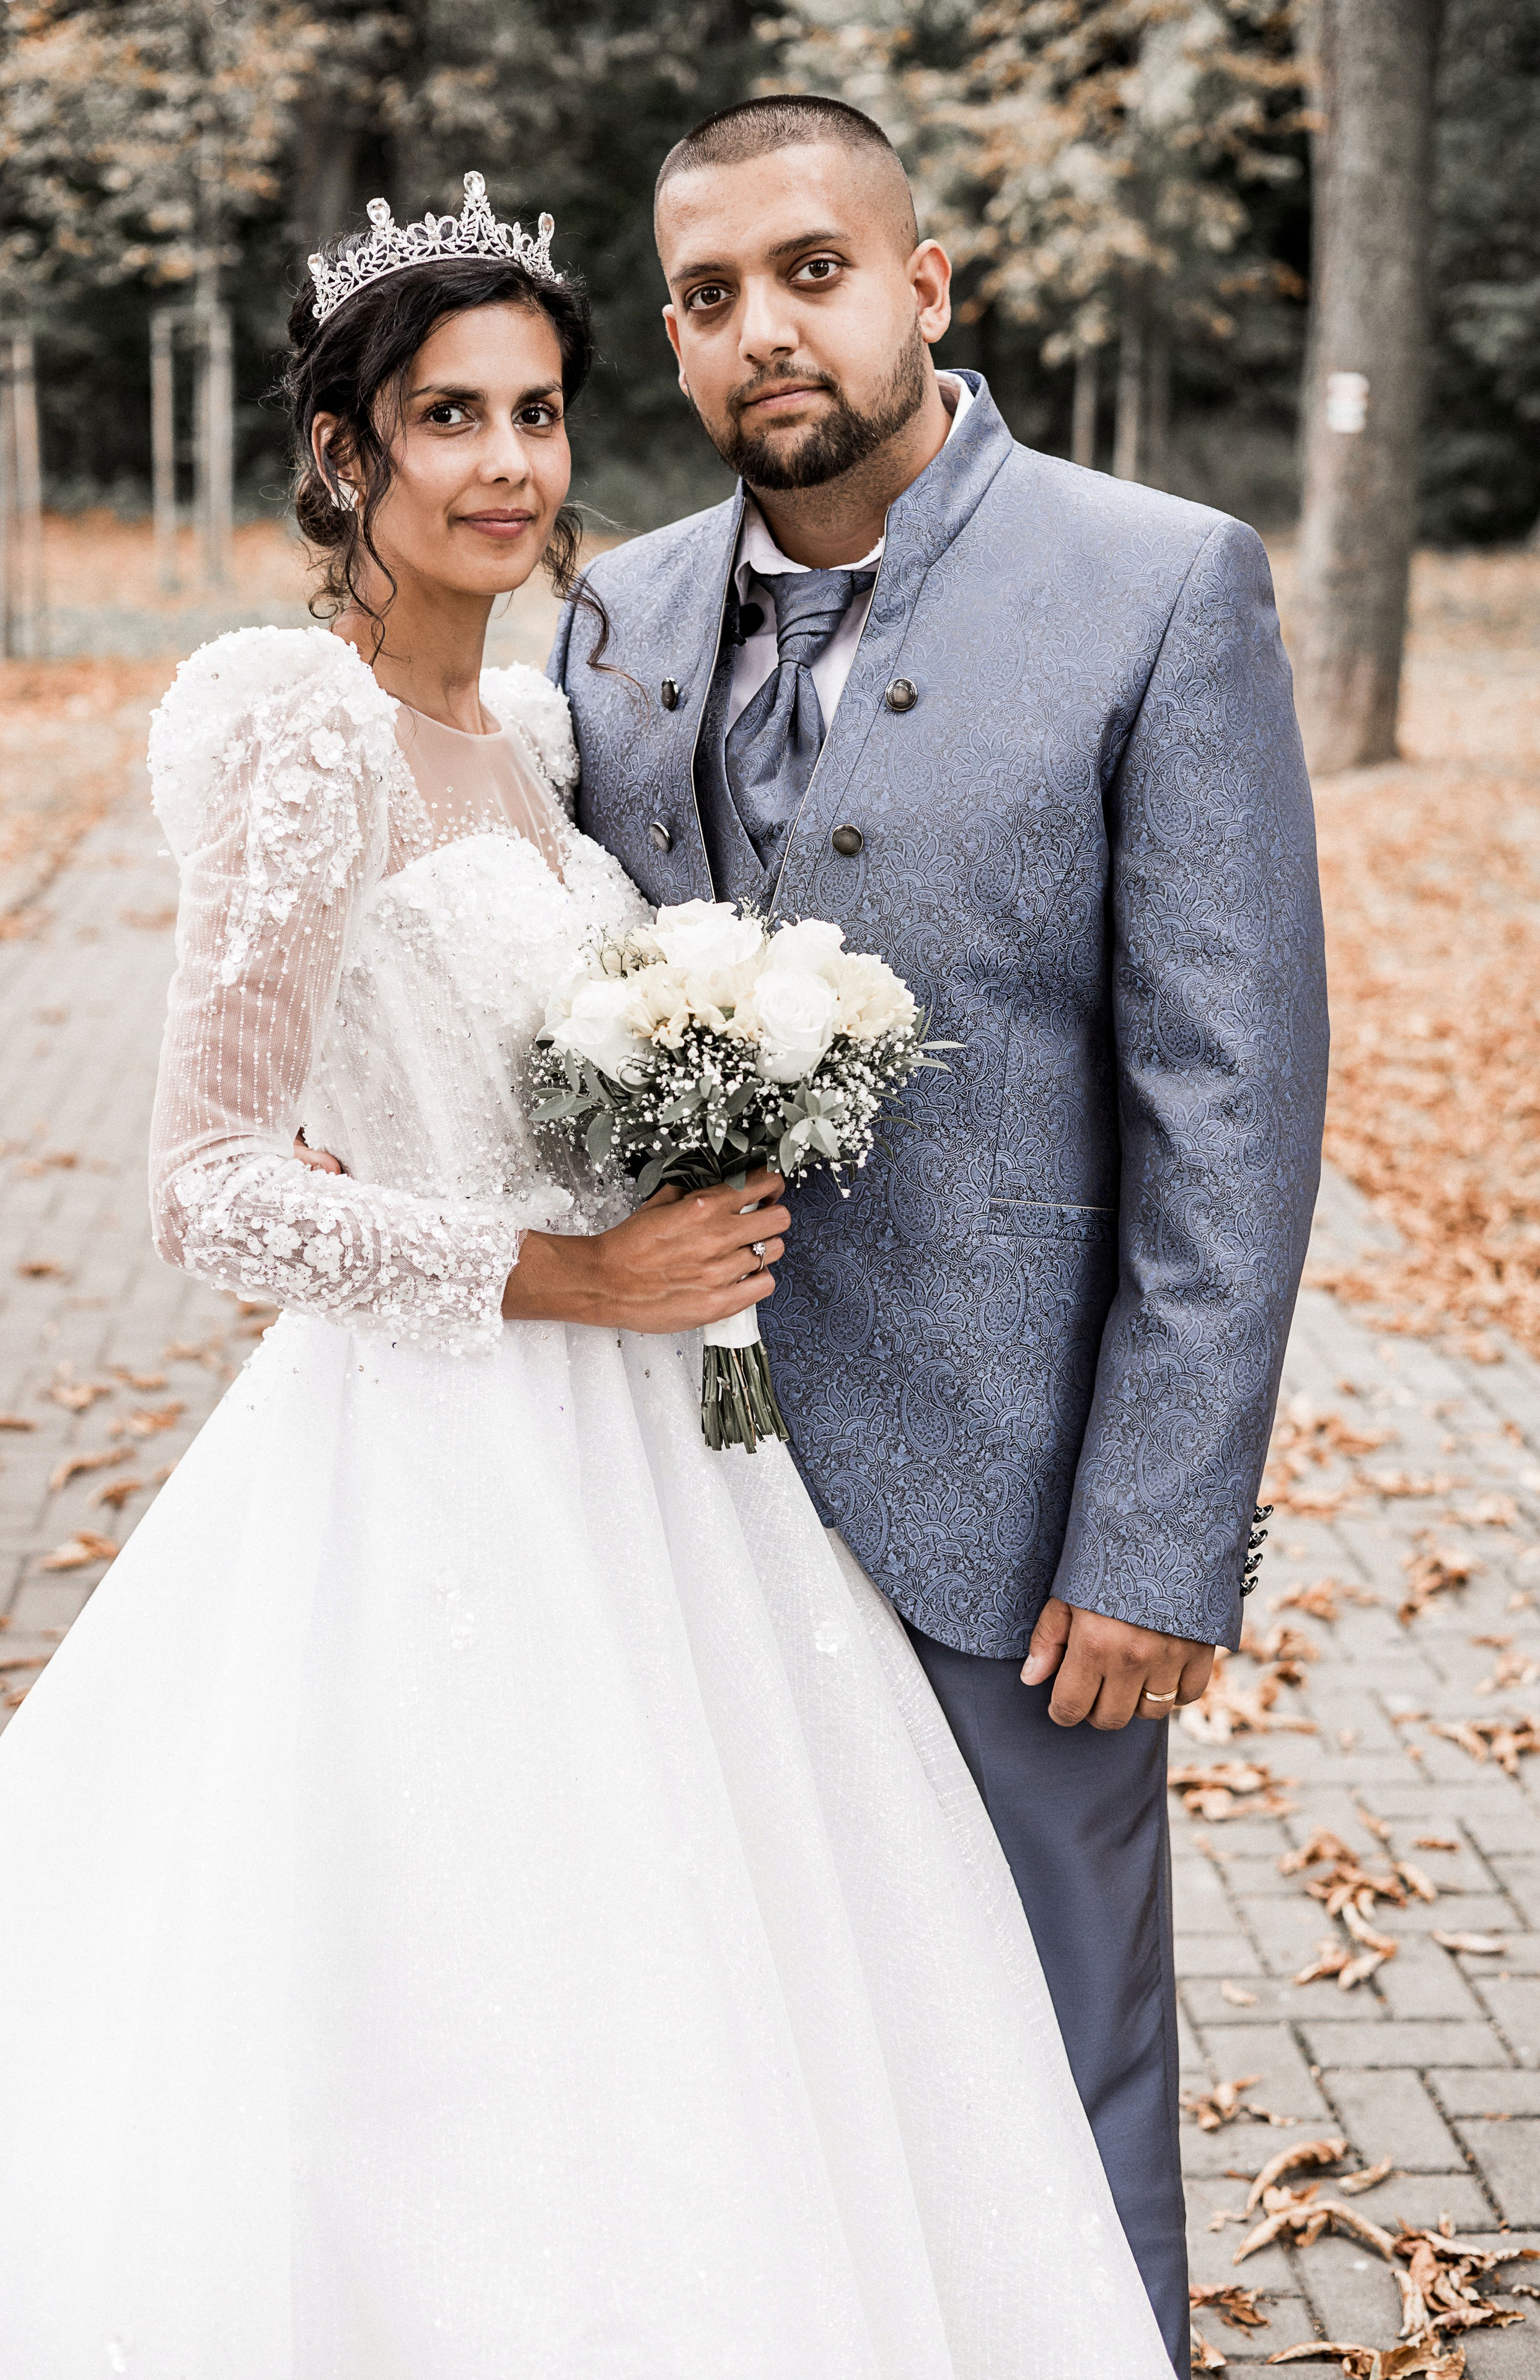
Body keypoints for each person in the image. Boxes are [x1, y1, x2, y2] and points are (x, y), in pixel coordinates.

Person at [0, 177, 1175, 2378]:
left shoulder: (529, 735)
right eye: (449, 417)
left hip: (667, 1467)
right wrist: (563, 1279)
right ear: (348, 454)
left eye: (537, 411)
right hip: (439, 1454)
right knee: (459, 2019)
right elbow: (209, 1184)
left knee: (701, 1990)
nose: (512, 463)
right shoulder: (290, 724)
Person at [552, 97, 1329, 2379]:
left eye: (810, 269)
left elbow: (1232, 1097)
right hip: (668, 1506)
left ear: (929, 285)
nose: (760, 330)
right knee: (741, 2063)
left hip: (1018, 1520)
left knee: (1057, 2065)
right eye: (705, 296)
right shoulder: (618, 613)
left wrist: (1167, 1530)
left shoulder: (1160, 581)